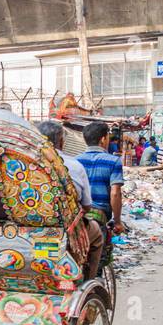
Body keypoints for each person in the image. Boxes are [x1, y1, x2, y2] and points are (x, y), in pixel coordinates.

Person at [38, 119, 104, 280]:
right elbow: (86, 206)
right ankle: (89, 280)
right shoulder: (73, 165)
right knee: (98, 235)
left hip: (27, 229)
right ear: (61, 141)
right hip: (64, 229)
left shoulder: (23, 164)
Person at [75, 121, 127, 238]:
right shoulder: (114, 161)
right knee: (100, 253)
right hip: (100, 215)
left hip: (78, 215)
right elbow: (115, 193)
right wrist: (117, 221)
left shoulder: (75, 161)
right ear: (103, 139)